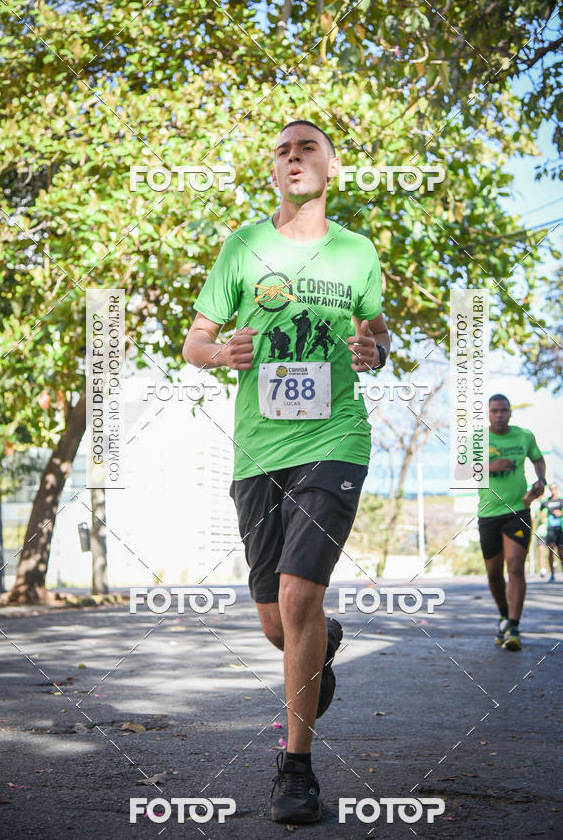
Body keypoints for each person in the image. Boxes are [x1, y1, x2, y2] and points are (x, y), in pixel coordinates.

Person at [182, 119, 389, 825]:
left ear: (332, 166)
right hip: (259, 450)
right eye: (283, 149)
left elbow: (376, 327)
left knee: (301, 594)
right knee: (279, 621)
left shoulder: (357, 252)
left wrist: (373, 347)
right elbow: (195, 340)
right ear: (273, 171)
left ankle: (296, 767)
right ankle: (321, 642)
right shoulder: (243, 247)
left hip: (335, 439)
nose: (295, 156)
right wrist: (222, 353)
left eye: (309, 147)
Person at [477, 394, 546, 650]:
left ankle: (514, 625)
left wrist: (541, 480)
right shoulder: (478, 439)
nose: (499, 415)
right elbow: (461, 470)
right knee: (494, 574)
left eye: (503, 410)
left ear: (510, 412)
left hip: (518, 509)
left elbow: (538, 458)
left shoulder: (524, 436)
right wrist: (491, 466)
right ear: (488, 413)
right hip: (488, 513)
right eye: (494, 411)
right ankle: (504, 615)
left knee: (515, 566)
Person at [539, 483, 563, 580]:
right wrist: (543, 518)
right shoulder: (547, 501)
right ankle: (552, 575)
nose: (553, 490)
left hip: (561, 529)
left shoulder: (562, 500)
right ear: (549, 489)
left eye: (554, 488)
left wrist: (561, 513)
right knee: (551, 550)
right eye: (551, 488)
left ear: (557, 489)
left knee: (561, 552)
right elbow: (540, 511)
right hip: (551, 529)